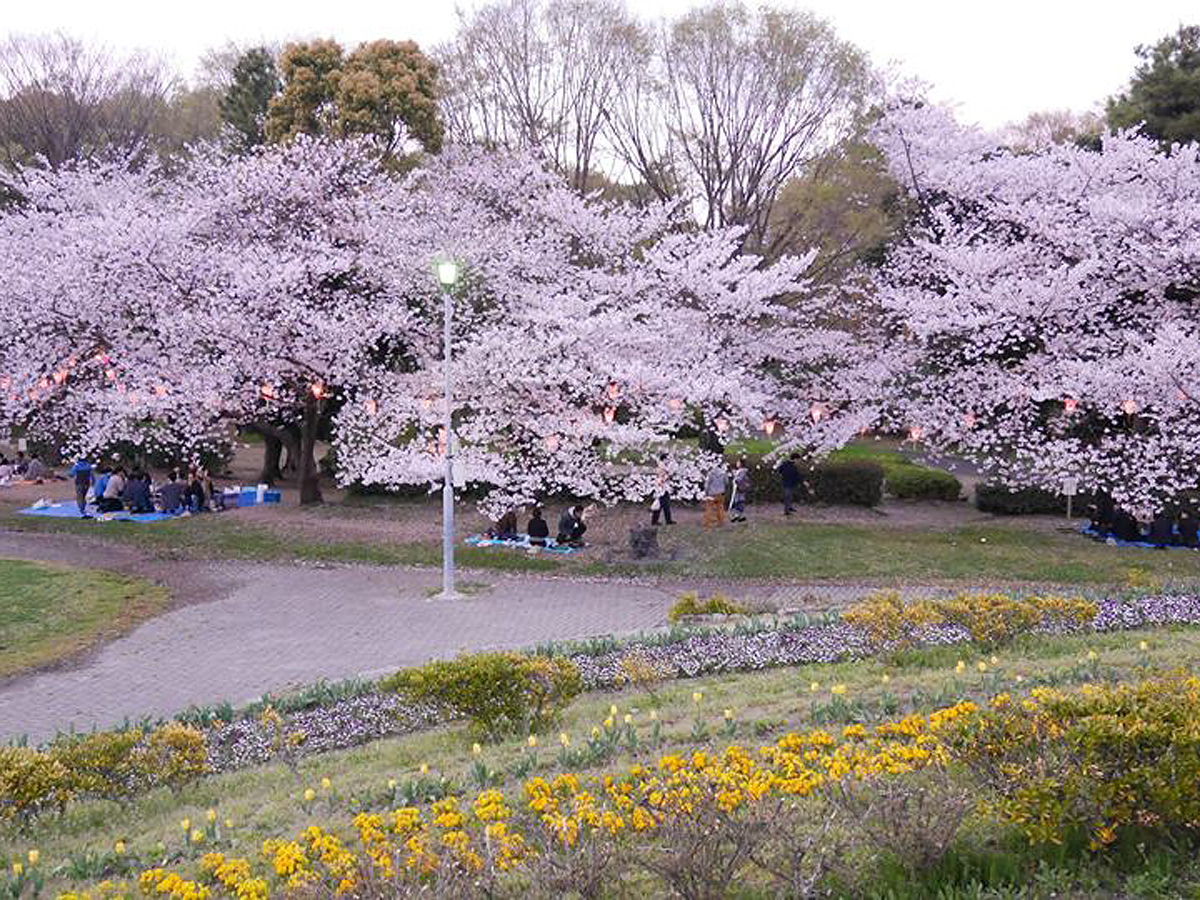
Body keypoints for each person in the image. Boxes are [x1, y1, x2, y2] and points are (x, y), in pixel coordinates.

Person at [650, 453, 674, 526]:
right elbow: (661, 478)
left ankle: (666, 520)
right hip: (661, 488)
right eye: (667, 459)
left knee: (663, 504)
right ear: (664, 459)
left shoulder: (663, 466)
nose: (668, 460)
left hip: (664, 488)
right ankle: (663, 521)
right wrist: (668, 476)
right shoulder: (661, 467)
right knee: (662, 504)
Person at [702, 461, 728, 526]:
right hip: (721, 492)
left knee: (709, 508)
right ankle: (721, 521)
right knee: (720, 508)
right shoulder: (724, 473)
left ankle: (708, 522)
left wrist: (706, 492)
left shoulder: (710, 473)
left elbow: (707, 484)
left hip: (712, 493)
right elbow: (726, 482)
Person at [729, 458, 750, 523]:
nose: (737, 463)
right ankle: (738, 516)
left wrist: (735, 478)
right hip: (741, 489)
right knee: (739, 502)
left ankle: (736, 516)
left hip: (738, 489)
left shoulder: (742, 471)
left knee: (736, 502)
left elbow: (738, 479)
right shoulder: (743, 471)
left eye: (738, 462)